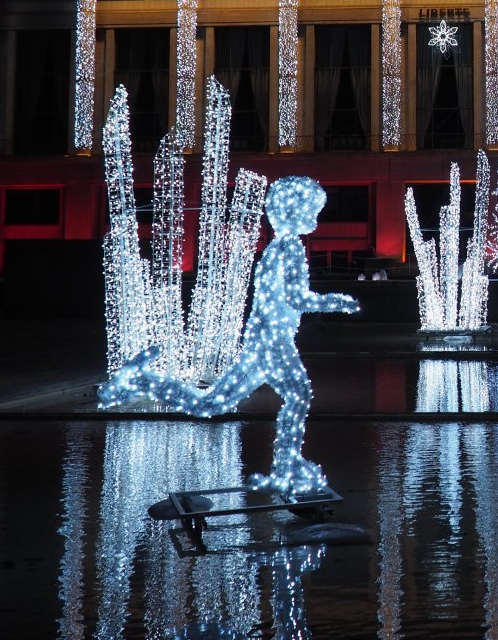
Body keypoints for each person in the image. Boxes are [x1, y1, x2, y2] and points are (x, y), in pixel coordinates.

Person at [99, 176, 359, 498]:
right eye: (312, 211)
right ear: (295, 212)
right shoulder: (290, 248)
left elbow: (272, 300)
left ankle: (141, 381)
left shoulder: (275, 249)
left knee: (213, 403)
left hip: (262, 340)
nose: (316, 220)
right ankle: (285, 469)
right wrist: (337, 302)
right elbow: (296, 298)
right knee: (298, 395)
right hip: (272, 342)